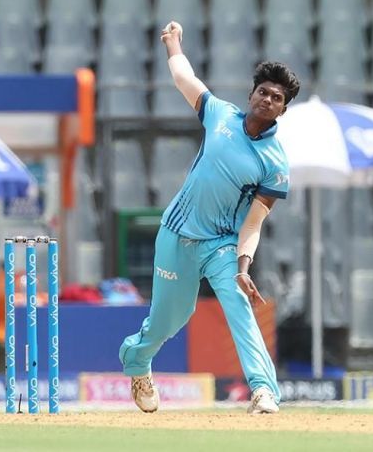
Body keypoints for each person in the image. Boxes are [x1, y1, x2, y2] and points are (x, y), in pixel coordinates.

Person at [119, 21, 300, 415]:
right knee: (170, 319)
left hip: (222, 245)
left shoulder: (275, 163)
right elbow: (186, 79)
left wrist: (243, 264)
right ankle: (137, 360)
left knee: (239, 305)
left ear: (283, 109)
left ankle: (263, 392)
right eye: (264, 91)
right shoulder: (219, 114)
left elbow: (253, 223)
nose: (268, 99)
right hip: (176, 233)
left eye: (277, 97)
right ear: (252, 94)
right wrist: (173, 44)